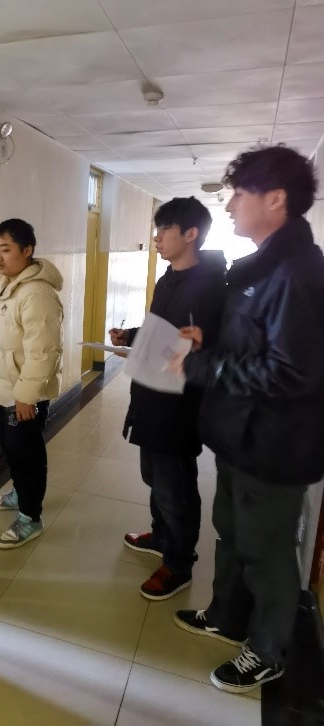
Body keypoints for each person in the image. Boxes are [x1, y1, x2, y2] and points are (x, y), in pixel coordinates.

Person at [173, 145, 324, 694]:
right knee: (232, 532)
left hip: (274, 444)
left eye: (239, 194)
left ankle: (268, 650)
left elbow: (291, 372)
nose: (231, 205)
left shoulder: (297, 273)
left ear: (276, 199)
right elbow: (258, 344)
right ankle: (226, 616)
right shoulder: (264, 265)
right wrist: (209, 340)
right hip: (241, 434)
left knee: (266, 551)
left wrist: (201, 365)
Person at [109, 197, 226, 600]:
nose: (157, 238)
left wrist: (198, 346)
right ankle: (161, 537)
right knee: (155, 477)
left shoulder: (212, 287)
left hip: (179, 403)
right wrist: (133, 336)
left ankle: (178, 563)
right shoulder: (167, 279)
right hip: (150, 393)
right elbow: (164, 330)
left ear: (191, 234)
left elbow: (210, 347)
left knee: (175, 485)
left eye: (164, 230)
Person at [0, 219, 63, 549]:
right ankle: (20, 492)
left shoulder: (36, 293)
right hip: (7, 390)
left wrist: (27, 396)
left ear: (27, 251)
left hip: (23, 394)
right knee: (11, 446)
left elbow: (43, 351)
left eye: (6, 249)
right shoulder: (9, 285)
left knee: (27, 454)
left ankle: (31, 517)